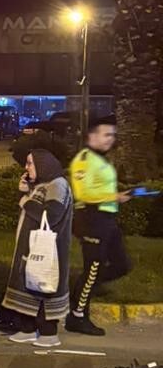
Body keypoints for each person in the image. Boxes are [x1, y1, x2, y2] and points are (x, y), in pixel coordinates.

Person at [67, 117, 132, 336]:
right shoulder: (84, 159)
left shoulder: (101, 160)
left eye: (113, 135)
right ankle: (77, 316)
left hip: (107, 220)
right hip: (91, 219)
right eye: (106, 134)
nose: (110, 139)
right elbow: (83, 192)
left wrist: (119, 196)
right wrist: (114, 196)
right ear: (92, 136)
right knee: (93, 268)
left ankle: (82, 287)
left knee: (122, 265)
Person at [3, 150, 73, 348]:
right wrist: (26, 191)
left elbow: (51, 216)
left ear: (43, 164)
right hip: (32, 250)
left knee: (44, 287)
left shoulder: (58, 185)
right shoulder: (43, 185)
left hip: (50, 251)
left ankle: (49, 333)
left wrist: (25, 200)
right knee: (30, 286)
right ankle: (28, 329)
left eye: (30, 163)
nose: (26, 168)